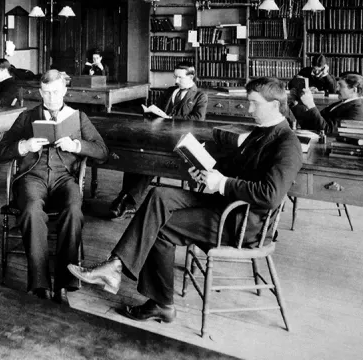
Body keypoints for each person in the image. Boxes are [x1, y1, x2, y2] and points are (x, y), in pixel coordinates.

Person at [67, 76, 303, 323]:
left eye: (254, 103)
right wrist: (206, 170)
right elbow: (235, 168)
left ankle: (157, 301)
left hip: (243, 223)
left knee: (159, 228)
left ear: (275, 105)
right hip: (227, 206)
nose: (249, 109)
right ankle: (116, 267)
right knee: (160, 194)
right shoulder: (260, 133)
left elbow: (270, 194)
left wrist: (221, 183)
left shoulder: (287, 144)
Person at [0, 70, 108, 304]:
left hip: (64, 177)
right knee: (32, 210)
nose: (51, 98)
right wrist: (24, 145)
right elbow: (0, 152)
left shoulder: (77, 117)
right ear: (40, 92)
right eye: (46, 93)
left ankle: (64, 285)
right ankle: (40, 285)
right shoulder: (27, 117)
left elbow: (102, 151)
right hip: (32, 177)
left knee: (74, 209)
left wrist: (76, 145)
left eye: (56, 92)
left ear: (65, 91)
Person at [108, 64, 208, 219]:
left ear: (191, 77)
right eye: (175, 76)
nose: (176, 80)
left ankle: (126, 200)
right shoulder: (169, 91)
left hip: (180, 142)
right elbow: (158, 110)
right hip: (159, 137)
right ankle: (126, 199)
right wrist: (151, 112)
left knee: (150, 160)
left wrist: (170, 119)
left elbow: (197, 120)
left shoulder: (200, 95)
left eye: (179, 77)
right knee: (137, 154)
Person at [290, 72, 363, 133]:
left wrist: (310, 104)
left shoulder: (357, 112)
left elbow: (328, 130)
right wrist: (296, 103)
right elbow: (313, 123)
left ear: (354, 90)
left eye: (341, 86)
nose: (337, 89)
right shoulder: (340, 104)